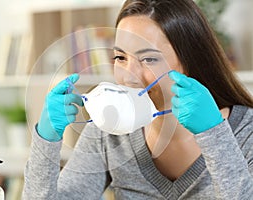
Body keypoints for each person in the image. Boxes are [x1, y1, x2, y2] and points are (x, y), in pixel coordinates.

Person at [22, 0, 253, 199]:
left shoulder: (247, 132)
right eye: (120, 57)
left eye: (149, 59)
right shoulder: (108, 131)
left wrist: (214, 135)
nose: (128, 77)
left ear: (190, 61)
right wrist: (46, 140)